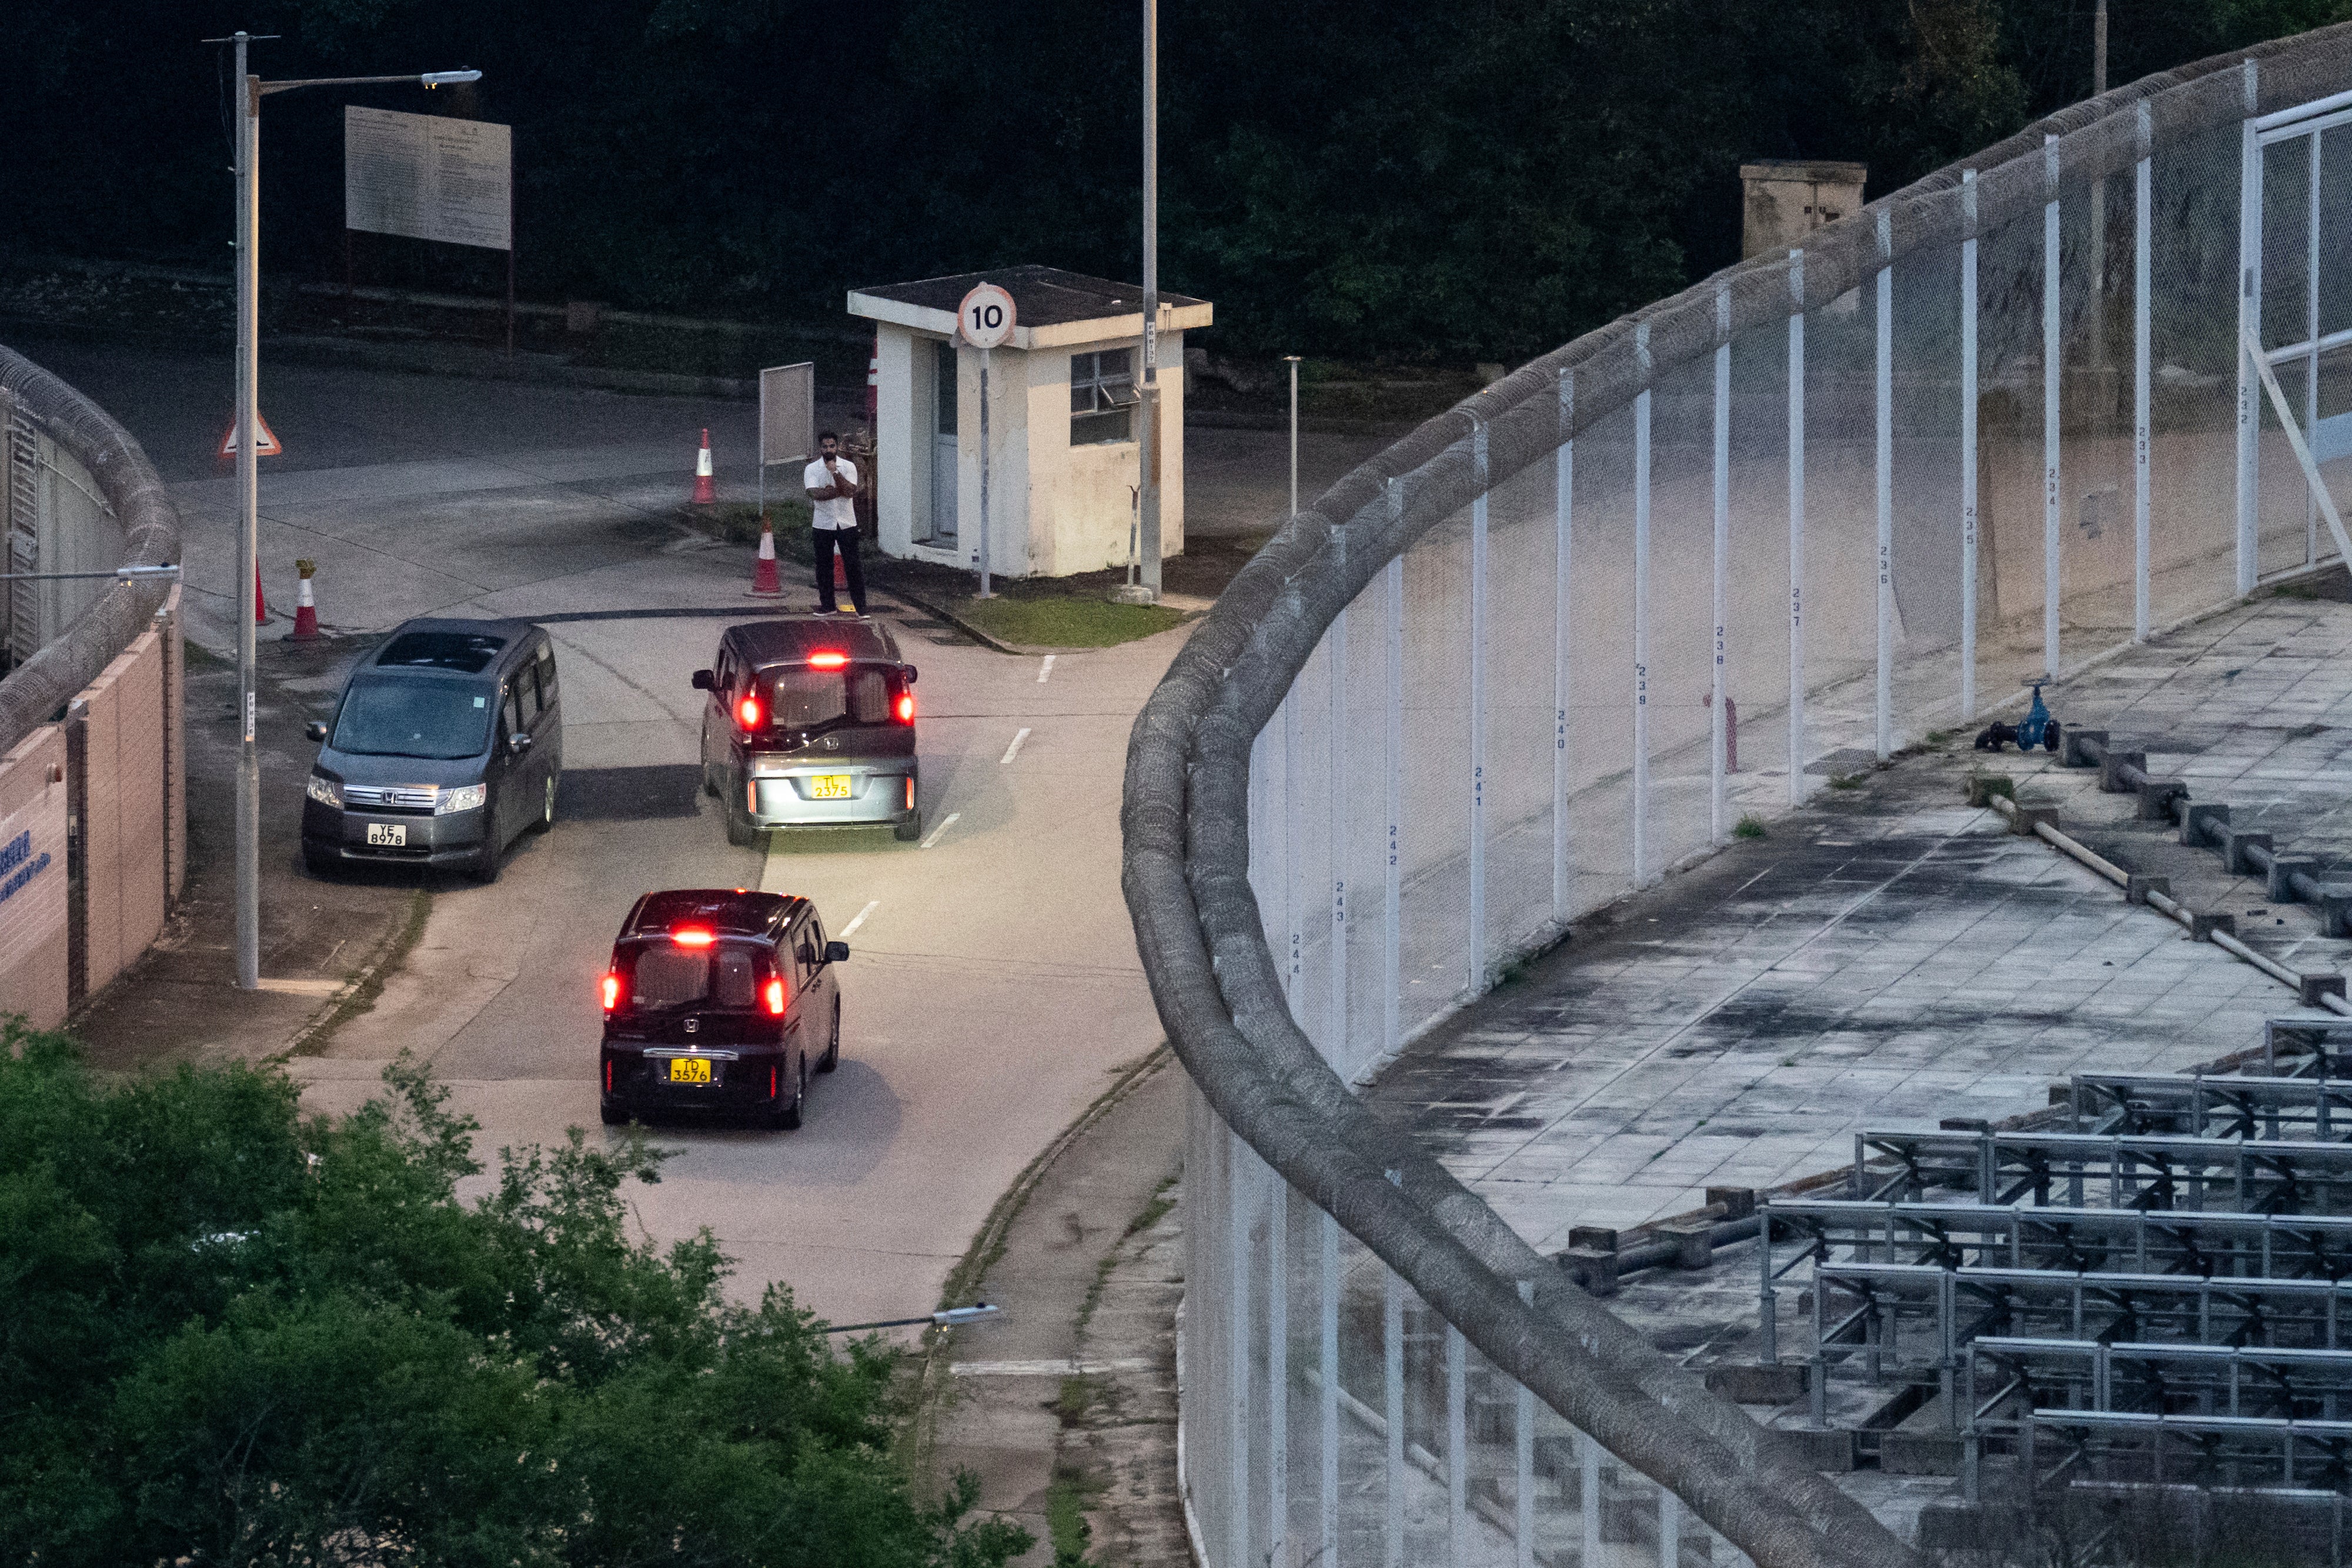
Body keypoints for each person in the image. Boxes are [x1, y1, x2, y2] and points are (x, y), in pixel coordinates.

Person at [803, 430, 867, 616]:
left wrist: (835, 473)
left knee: (853, 565)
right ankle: (828, 606)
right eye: (825, 447)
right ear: (820, 448)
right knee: (824, 566)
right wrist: (841, 490)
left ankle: (861, 608)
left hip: (847, 523)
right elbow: (814, 494)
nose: (829, 450)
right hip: (823, 523)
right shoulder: (812, 469)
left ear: (837, 447)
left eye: (832, 446)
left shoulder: (848, 466)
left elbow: (850, 492)